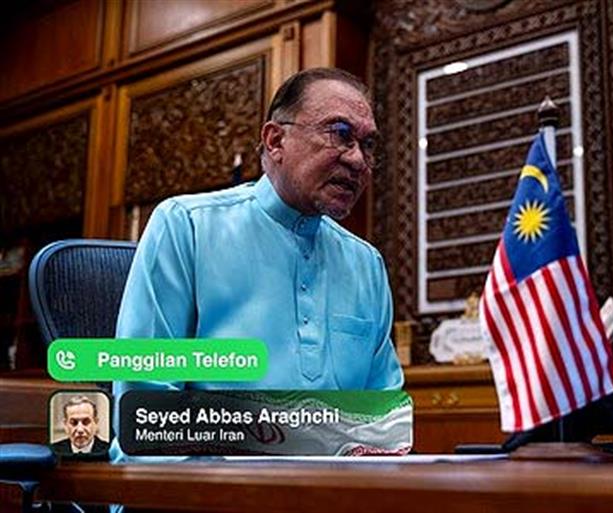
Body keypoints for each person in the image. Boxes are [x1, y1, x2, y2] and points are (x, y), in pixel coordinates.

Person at [114, 68, 402, 415]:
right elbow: (146, 406)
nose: (357, 159)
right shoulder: (187, 225)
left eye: (367, 145)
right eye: (340, 134)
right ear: (276, 141)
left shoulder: (366, 264)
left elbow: (382, 416)